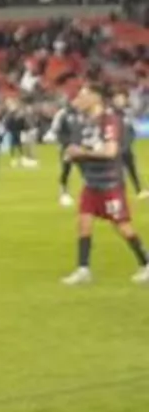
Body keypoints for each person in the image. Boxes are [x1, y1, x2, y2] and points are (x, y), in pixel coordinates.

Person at [61, 83, 149, 285]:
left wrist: (82, 153)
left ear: (96, 98)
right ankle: (83, 269)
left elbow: (110, 151)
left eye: (84, 96)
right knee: (83, 223)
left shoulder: (109, 121)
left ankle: (146, 263)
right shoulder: (85, 123)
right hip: (91, 183)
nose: (79, 100)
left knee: (123, 226)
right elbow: (80, 148)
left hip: (110, 184)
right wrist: (73, 153)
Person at [112, 92, 146, 198]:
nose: (120, 101)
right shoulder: (111, 114)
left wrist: (129, 142)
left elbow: (131, 130)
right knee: (117, 172)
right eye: (117, 99)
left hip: (127, 147)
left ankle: (139, 190)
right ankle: (118, 193)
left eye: (122, 99)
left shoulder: (128, 114)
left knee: (132, 169)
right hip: (115, 148)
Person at [51, 99, 82, 206]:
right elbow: (55, 129)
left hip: (80, 146)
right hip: (67, 147)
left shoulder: (81, 113)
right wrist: (62, 143)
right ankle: (63, 193)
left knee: (85, 170)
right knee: (66, 170)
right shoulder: (62, 114)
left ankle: (92, 193)